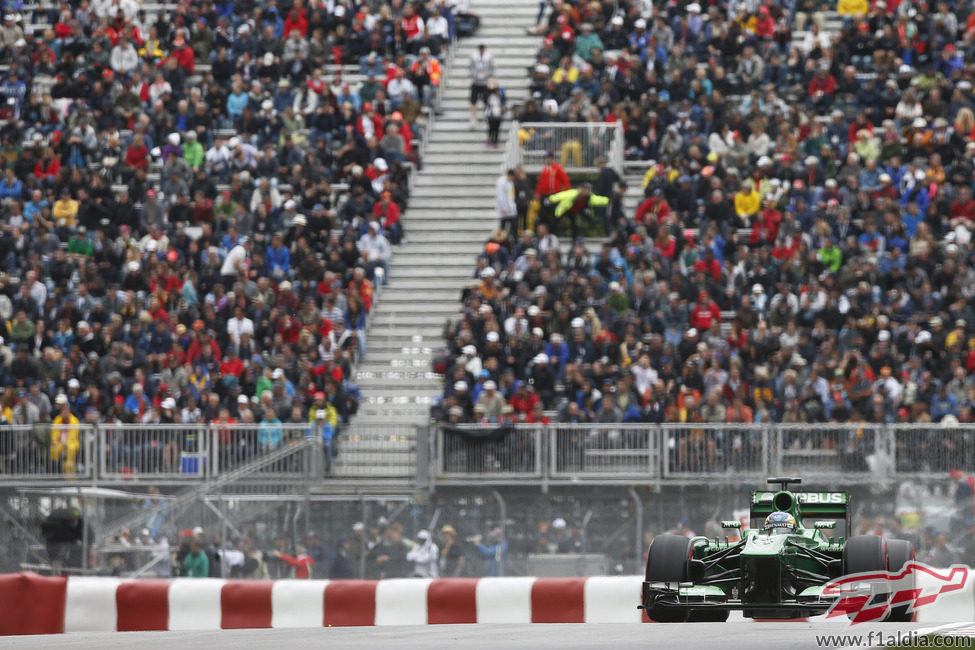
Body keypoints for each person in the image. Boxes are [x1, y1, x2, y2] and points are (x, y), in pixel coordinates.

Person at [469, 43, 495, 128]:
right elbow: (470, 68)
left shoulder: (489, 57)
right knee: (473, 101)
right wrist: (475, 74)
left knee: (485, 100)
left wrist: (487, 74)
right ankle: (474, 118)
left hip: (485, 82)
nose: (481, 51)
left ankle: (486, 116)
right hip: (476, 81)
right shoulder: (474, 57)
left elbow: (493, 69)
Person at [484, 78, 505, 147]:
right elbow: (485, 100)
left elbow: (504, 100)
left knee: (497, 128)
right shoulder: (487, 92)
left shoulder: (501, 91)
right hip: (490, 113)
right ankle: (490, 139)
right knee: (490, 127)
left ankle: (495, 141)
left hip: (498, 112)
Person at [496, 169, 517, 237]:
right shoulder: (501, 182)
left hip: (511, 209)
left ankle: (514, 239)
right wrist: (504, 208)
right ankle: (501, 240)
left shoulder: (511, 183)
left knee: (514, 226)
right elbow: (501, 196)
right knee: (503, 227)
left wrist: (513, 207)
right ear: (510, 175)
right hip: (504, 209)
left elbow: (511, 196)